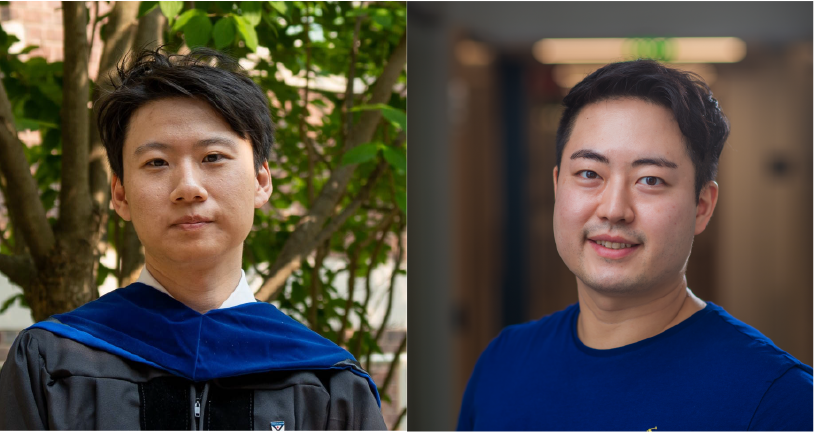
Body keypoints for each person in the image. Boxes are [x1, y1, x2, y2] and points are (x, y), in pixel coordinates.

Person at [0, 48, 386, 430]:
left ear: (261, 180)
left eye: (213, 157)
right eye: (156, 163)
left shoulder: (329, 383)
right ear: (120, 194)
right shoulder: (52, 363)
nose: (188, 188)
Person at [457, 59, 813, 431]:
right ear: (557, 185)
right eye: (590, 174)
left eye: (650, 180)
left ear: (702, 207)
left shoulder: (779, 401)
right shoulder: (503, 364)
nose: (614, 209)